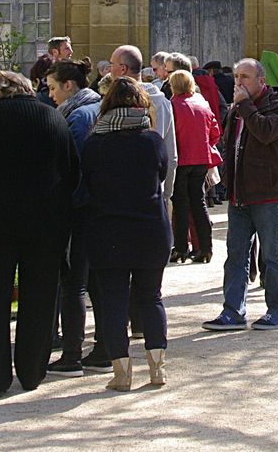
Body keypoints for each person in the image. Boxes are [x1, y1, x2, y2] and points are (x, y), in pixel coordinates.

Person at [0, 70, 78, 395]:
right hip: (46, 220)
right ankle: (31, 370)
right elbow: (71, 167)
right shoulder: (52, 116)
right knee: (39, 297)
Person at [82, 76, 172, 391]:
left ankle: (121, 373)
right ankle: (157, 369)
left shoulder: (94, 144)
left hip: (108, 230)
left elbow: (88, 184)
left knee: (113, 301)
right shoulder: (152, 141)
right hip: (150, 228)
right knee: (151, 297)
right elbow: (161, 175)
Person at [203, 58, 278, 332]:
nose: (238, 82)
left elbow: (266, 133)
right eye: (236, 76)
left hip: (268, 193)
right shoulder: (235, 109)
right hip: (239, 194)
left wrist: (244, 106)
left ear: (261, 81)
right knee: (236, 255)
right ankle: (232, 312)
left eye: (245, 76)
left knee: (272, 254)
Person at [46, 58, 102, 374]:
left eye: (53, 88)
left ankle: (71, 355)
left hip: (81, 209)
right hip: (98, 207)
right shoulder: (95, 106)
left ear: (69, 86)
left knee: (74, 284)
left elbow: (75, 169)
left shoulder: (78, 116)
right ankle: (104, 349)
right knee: (96, 281)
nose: (50, 95)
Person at [108, 45, 178, 205]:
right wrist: (166, 193)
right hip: (154, 191)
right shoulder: (163, 102)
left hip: (122, 191)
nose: (109, 69)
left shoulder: (116, 102)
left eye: (112, 64)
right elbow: (170, 153)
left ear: (123, 68)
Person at [168, 68, 221, 264]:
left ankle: (181, 248)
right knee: (199, 203)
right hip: (201, 159)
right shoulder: (202, 103)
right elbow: (215, 133)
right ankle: (205, 248)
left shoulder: (173, 105)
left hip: (181, 160)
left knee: (180, 205)